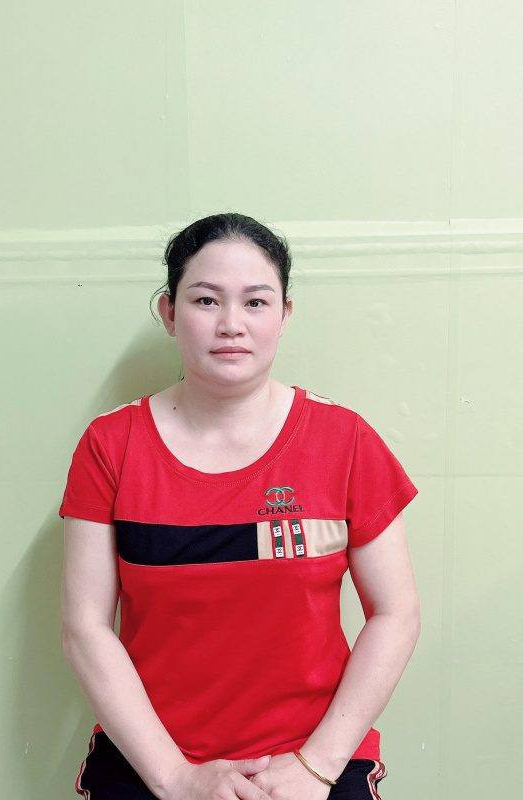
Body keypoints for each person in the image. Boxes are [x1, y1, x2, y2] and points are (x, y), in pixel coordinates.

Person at [59, 212, 420, 800]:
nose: (231, 325)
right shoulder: (111, 445)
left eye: (255, 302)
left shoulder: (345, 440)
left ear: (284, 314)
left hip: (313, 760)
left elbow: (396, 613)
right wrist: (176, 778)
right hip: (152, 760)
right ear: (169, 313)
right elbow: (84, 628)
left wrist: (315, 767)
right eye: (206, 300)